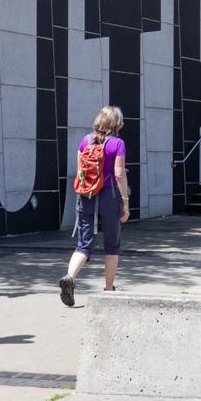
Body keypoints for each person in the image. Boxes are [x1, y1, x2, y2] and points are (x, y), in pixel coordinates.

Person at [60, 106, 129, 307]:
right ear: (116, 124)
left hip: (86, 195)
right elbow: (118, 174)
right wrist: (125, 201)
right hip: (109, 196)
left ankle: (70, 278)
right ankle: (108, 289)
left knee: (84, 244)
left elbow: (80, 172)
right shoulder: (118, 143)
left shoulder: (85, 141)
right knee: (112, 245)